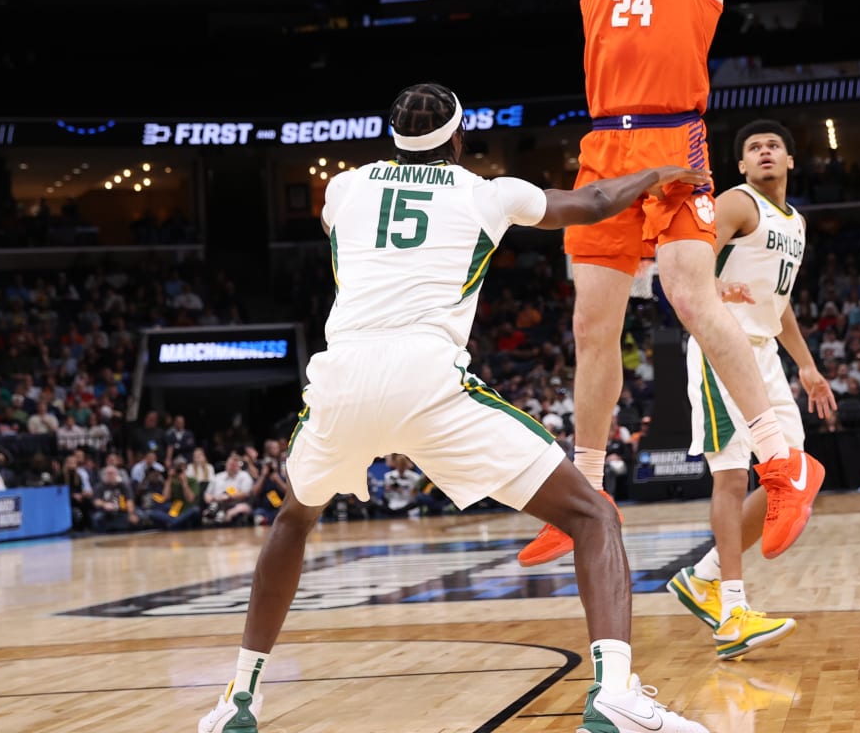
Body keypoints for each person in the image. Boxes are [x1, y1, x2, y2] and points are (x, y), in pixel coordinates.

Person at [195, 84, 710, 733]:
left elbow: (348, 227)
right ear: (459, 139)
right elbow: (592, 202)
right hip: (425, 377)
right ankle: (613, 692)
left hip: (341, 376)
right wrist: (656, 174)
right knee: (590, 515)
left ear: (394, 138)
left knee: (293, 522)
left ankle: (240, 698)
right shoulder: (486, 191)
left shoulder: (344, 189)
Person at [521, 0, 820, 567]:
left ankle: (782, 457)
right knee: (590, 327)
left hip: (674, 144)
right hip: (602, 151)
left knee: (693, 298)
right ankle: (583, 488)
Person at [665, 121, 835, 659]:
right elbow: (689, 265)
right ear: (740, 166)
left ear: (789, 161)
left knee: (793, 469)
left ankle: (705, 576)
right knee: (733, 475)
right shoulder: (737, 203)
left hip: (764, 354)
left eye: (773, 147)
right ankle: (733, 611)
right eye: (753, 148)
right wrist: (713, 292)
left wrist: (806, 366)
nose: (764, 152)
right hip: (722, 348)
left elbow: (778, 305)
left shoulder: (796, 223)